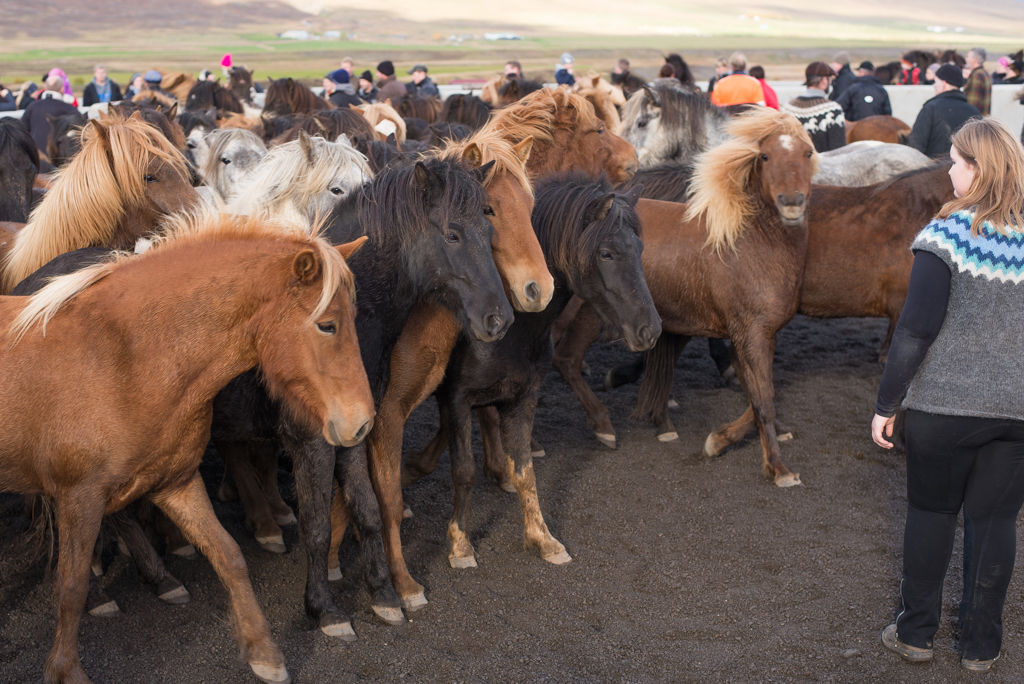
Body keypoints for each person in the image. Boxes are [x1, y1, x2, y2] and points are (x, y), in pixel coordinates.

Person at [872, 117, 1024, 674]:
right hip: (1017, 412)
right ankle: (981, 646)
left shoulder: (947, 236)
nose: (950, 172)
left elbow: (914, 331)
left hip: (943, 408)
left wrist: (886, 405)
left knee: (932, 516)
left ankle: (915, 634)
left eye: (956, 162)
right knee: (995, 524)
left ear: (978, 169)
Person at [907, 64, 981, 158]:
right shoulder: (974, 111)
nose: (934, 85)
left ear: (944, 83)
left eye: (936, 81)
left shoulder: (931, 108)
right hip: (964, 170)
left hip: (934, 169)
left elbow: (916, 144)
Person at [780, 62, 845, 152]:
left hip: (794, 165)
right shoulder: (833, 110)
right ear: (824, 81)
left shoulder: (787, 108)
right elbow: (839, 151)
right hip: (822, 165)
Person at [23, 75, 80, 154]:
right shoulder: (68, 109)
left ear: (46, 87)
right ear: (62, 88)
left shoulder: (32, 107)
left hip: (37, 157)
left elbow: (22, 130)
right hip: (59, 158)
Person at [963, 48, 991, 116]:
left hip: (975, 120)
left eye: (968, 57)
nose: (966, 59)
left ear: (974, 60)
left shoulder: (976, 76)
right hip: (983, 119)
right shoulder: (984, 73)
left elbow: (972, 104)